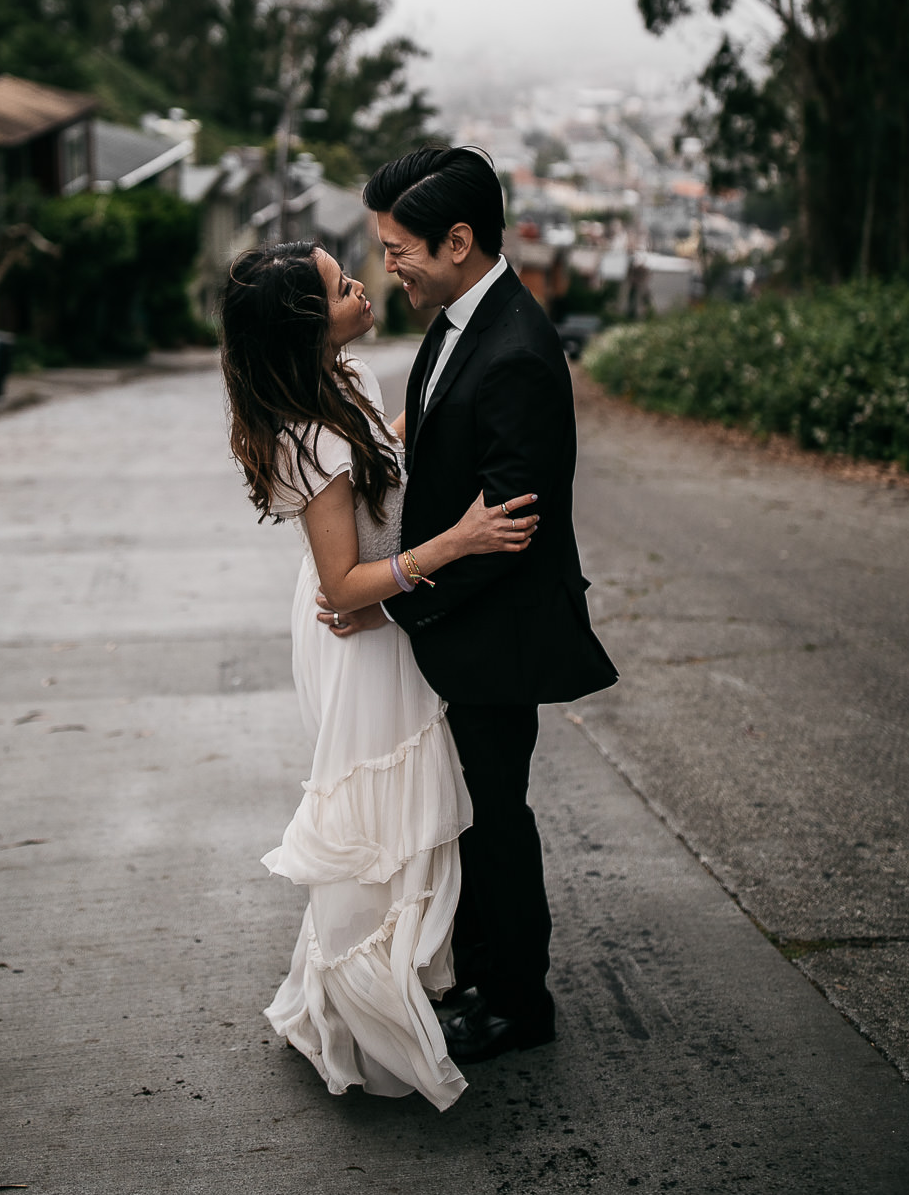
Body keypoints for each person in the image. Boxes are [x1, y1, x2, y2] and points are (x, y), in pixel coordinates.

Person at [220, 240, 537, 1109]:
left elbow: (391, 463)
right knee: (382, 817)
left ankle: (428, 975)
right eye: (340, 285)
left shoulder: (344, 386)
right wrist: (459, 542)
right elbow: (343, 585)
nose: (362, 283)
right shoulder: (310, 440)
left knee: (418, 807)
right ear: (307, 327)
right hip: (361, 631)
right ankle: (369, 999)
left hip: (386, 618)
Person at [329, 145, 619, 1065]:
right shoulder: (457, 321)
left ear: (458, 241)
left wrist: (400, 596)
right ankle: (484, 977)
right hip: (459, 627)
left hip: (497, 636)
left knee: (495, 817)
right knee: (469, 812)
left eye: (399, 247)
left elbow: (510, 527)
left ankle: (517, 1004)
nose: (389, 266)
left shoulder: (519, 351)